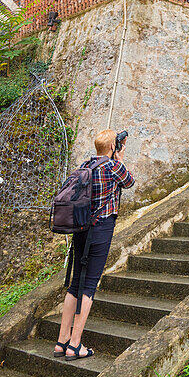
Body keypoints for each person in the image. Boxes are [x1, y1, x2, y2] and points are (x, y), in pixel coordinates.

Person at [54, 128, 135, 359]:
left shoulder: (85, 165)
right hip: (101, 229)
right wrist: (119, 158)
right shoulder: (112, 167)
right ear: (112, 147)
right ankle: (75, 344)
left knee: (75, 285)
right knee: (89, 285)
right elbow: (129, 181)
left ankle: (62, 342)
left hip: (81, 228)